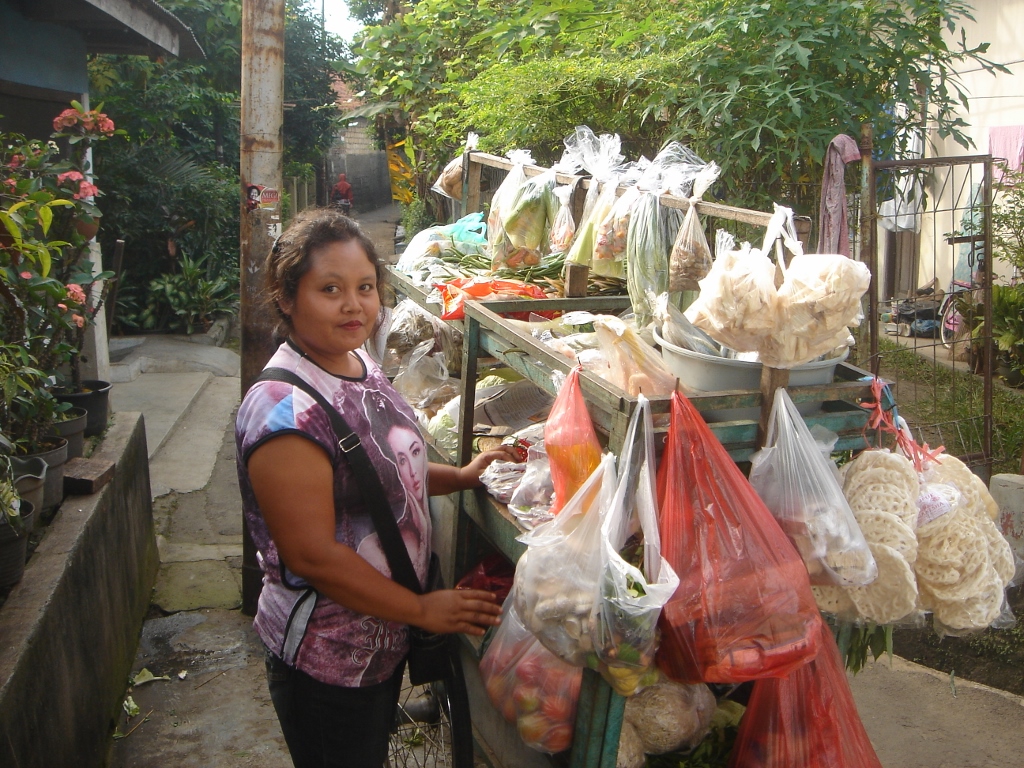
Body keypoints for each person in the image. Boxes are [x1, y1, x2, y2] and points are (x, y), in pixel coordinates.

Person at [235, 208, 515, 768]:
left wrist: (458, 477)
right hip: (328, 658)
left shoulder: (357, 361)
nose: (354, 305)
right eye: (330, 289)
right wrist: (420, 608)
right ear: (287, 297)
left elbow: (380, 471)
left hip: (382, 643)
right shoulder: (283, 411)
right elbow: (313, 555)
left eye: (365, 287)